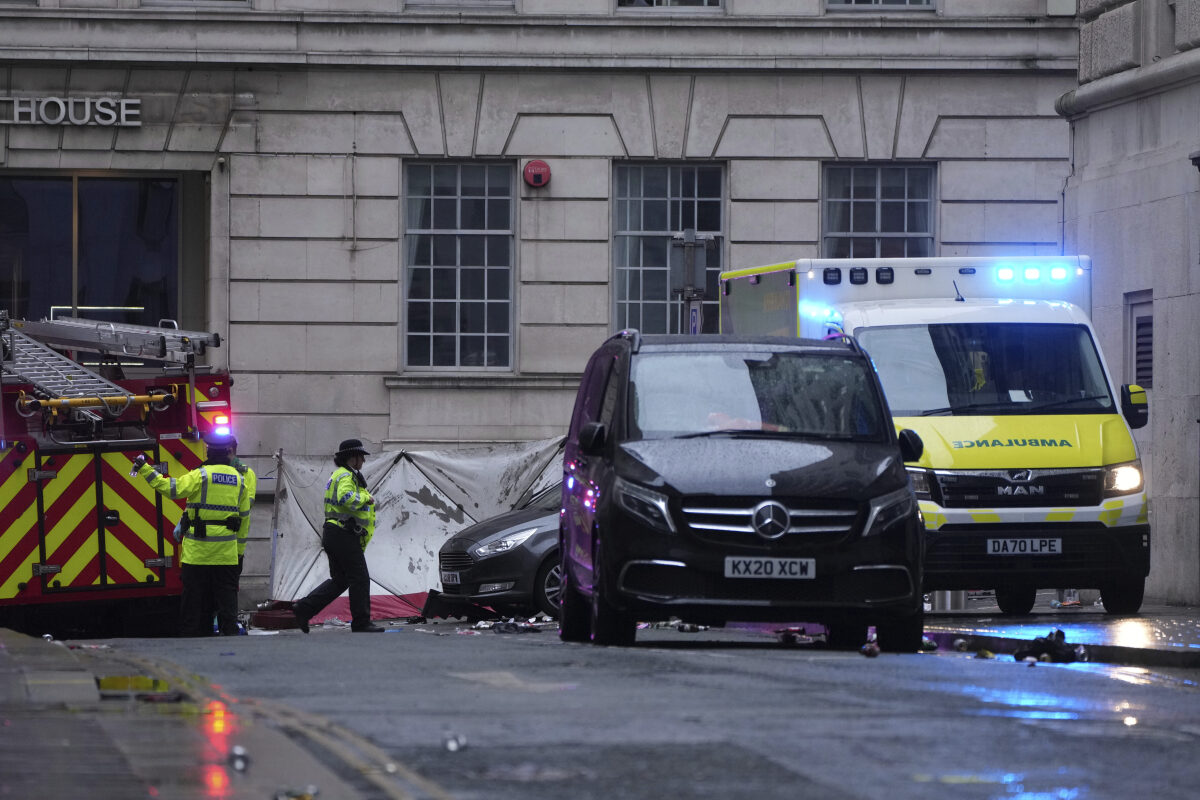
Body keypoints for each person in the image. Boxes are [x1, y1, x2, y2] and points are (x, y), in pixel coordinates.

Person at [132, 431, 250, 636]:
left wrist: (146, 470)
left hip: (198, 554)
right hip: (226, 555)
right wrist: (238, 553)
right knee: (227, 606)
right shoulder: (240, 481)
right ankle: (232, 645)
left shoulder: (201, 475)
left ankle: (192, 646)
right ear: (228, 451)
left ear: (208, 451)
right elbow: (244, 521)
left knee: (193, 605)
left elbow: (172, 489)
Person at [292, 438, 384, 633]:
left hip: (335, 533)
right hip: (343, 534)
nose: (363, 461)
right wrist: (367, 498)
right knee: (360, 577)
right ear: (353, 457)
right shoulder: (346, 476)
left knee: (341, 580)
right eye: (361, 457)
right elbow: (345, 498)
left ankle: (304, 608)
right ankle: (361, 622)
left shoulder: (340, 474)